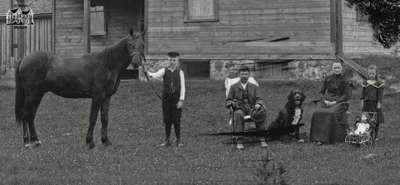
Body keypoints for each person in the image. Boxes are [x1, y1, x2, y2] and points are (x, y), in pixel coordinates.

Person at [147, 51, 186, 147]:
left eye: (174, 60)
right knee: (167, 119)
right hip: (166, 100)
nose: (172, 62)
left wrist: (181, 100)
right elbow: (154, 75)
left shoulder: (180, 72)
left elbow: (183, 87)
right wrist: (147, 72)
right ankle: (167, 140)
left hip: (176, 99)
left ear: (177, 61)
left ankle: (178, 140)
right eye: (170, 60)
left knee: (176, 120)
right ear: (167, 60)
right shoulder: (164, 71)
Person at [226, 66, 268, 150]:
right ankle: (239, 141)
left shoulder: (254, 86)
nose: (244, 76)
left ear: (249, 75)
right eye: (242, 74)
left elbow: (259, 98)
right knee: (238, 114)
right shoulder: (233, 87)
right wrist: (232, 103)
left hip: (252, 108)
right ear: (239, 75)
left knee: (261, 112)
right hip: (240, 108)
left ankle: (262, 138)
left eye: (246, 74)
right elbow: (228, 101)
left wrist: (258, 104)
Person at [310, 62, 351, 145]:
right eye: (335, 68)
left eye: (338, 68)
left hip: (340, 102)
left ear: (341, 69)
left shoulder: (345, 80)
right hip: (326, 101)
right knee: (317, 112)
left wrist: (335, 102)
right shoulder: (328, 78)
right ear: (332, 69)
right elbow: (321, 92)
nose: (336, 69)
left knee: (330, 113)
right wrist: (324, 100)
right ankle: (316, 138)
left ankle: (327, 138)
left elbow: (346, 95)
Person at [361, 65, 384, 141]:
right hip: (367, 103)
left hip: (375, 103)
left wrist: (379, 103)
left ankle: (376, 135)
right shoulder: (365, 83)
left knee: (375, 119)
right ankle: (369, 133)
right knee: (367, 118)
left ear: (376, 74)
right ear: (368, 74)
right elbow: (363, 93)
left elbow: (380, 94)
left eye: (373, 74)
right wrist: (362, 101)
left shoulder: (378, 83)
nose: (371, 75)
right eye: (370, 74)